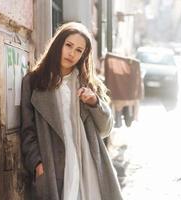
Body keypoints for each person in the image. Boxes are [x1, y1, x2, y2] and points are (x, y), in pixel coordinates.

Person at [20, 22, 123, 200]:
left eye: (79, 50)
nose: (72, 53)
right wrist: (37, 163)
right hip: (53, 163)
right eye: (68, 45)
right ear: (58, 44)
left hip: (87, 161)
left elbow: (106, 129)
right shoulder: (34, 82)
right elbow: (27, 129)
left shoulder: (88, 83)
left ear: (83, 55)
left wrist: (94, 102)